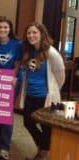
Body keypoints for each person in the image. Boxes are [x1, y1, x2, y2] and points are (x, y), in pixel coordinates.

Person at [19, 22, 65, 160]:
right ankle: (45, 148)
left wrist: (54, 91)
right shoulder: (28, 51)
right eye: (29, 33)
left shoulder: (51, 53)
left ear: (41, 34)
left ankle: (43, 152)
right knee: (28, 122)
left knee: (46, 127)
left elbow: (60, 76)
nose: (31, 35)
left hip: (45, 97)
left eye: (34, 32)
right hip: (30, 94)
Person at [0, 16, 21, 160]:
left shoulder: (17, 44)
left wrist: (15, 76)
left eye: (5, 27)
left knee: (6, 113)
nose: (2, 30)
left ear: (10, 29)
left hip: (11, 82)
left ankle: (5, 147)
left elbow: (18, 62)